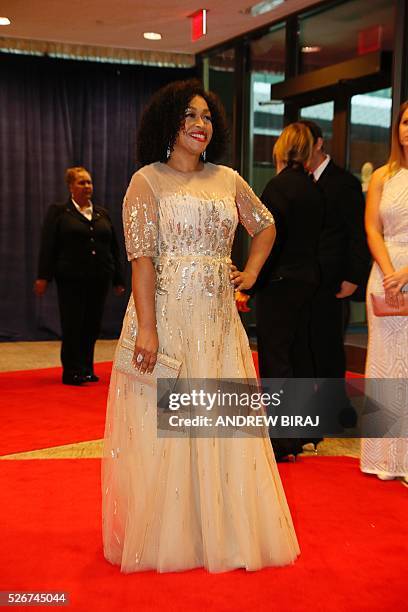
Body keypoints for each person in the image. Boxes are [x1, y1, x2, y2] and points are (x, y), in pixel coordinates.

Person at [102, 79, 300, 573]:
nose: (199, 124)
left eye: (207, 116)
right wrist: (147, 328)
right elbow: (142, 261)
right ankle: (175, 533)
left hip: (217, 321)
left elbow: (266, 224)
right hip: (167, 317)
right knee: (168, 427)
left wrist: (250, 273)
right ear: (169, 123)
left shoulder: (229, 179)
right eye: (190, 115)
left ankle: (223, 529)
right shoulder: (146, 181)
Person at [248, 123, 324, 460]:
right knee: (299, 355)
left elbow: (270, 244)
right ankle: (305, 431)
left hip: (280, 282)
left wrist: (254, 282)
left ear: (282, 147)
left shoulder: (277, 188)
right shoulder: (312, 188)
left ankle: (282, 439)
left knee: (276, 359)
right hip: (307, 281)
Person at [34, 167, 125, 385]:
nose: (87, 187)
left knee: (92, 325)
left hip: (99, 277)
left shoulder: (102, 213)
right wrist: (43, 277)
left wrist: (118, 279)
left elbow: (114, 248)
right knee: (73, 324)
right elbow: (48, 246)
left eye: (89, 183)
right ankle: (71, 370)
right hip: (71, 279)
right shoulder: (59, 212)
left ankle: (86, 368)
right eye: (82, 183)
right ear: (70, 187)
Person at [299, 120, 370, 381]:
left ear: (318, 143)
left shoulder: (344, 183)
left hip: (335, 283)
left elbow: (357, 235)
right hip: (305, 281)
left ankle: (334, 412)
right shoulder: (299, 181)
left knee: (329, 352)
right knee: (305, 350)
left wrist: (353, 278)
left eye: (305, 142)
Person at [360, 101, 408, 482]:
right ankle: (383, 458)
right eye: (405, 122)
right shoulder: (381, 176)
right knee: (384, 365)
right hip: (384, 274)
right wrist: (391, 272)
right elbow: (372, 228)